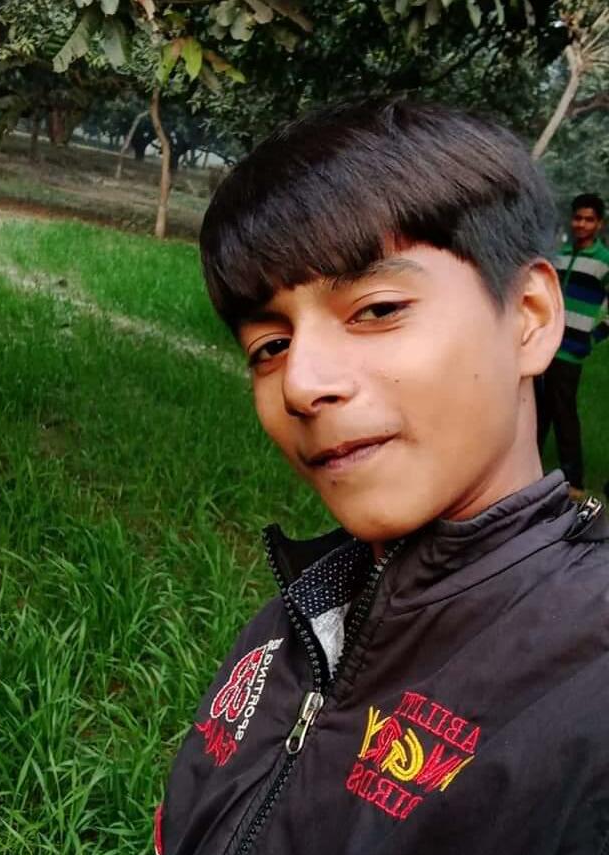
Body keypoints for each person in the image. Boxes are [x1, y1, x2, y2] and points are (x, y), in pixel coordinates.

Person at [155, 101, 609, 855]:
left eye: (377, 309)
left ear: (529, 316)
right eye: (269, 346)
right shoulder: (296, 617)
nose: (302, 384)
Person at [537, 193, 609, 500]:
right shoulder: (560, 256)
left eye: (589, 219)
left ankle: (574, 479)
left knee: (564, 413)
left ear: (599, 224)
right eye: (578, 218)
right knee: (538, 410)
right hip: (545, 346)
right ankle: (529, 470)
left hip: (571, 350)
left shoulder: (603, 261)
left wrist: (593, 337)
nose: (582, 224)